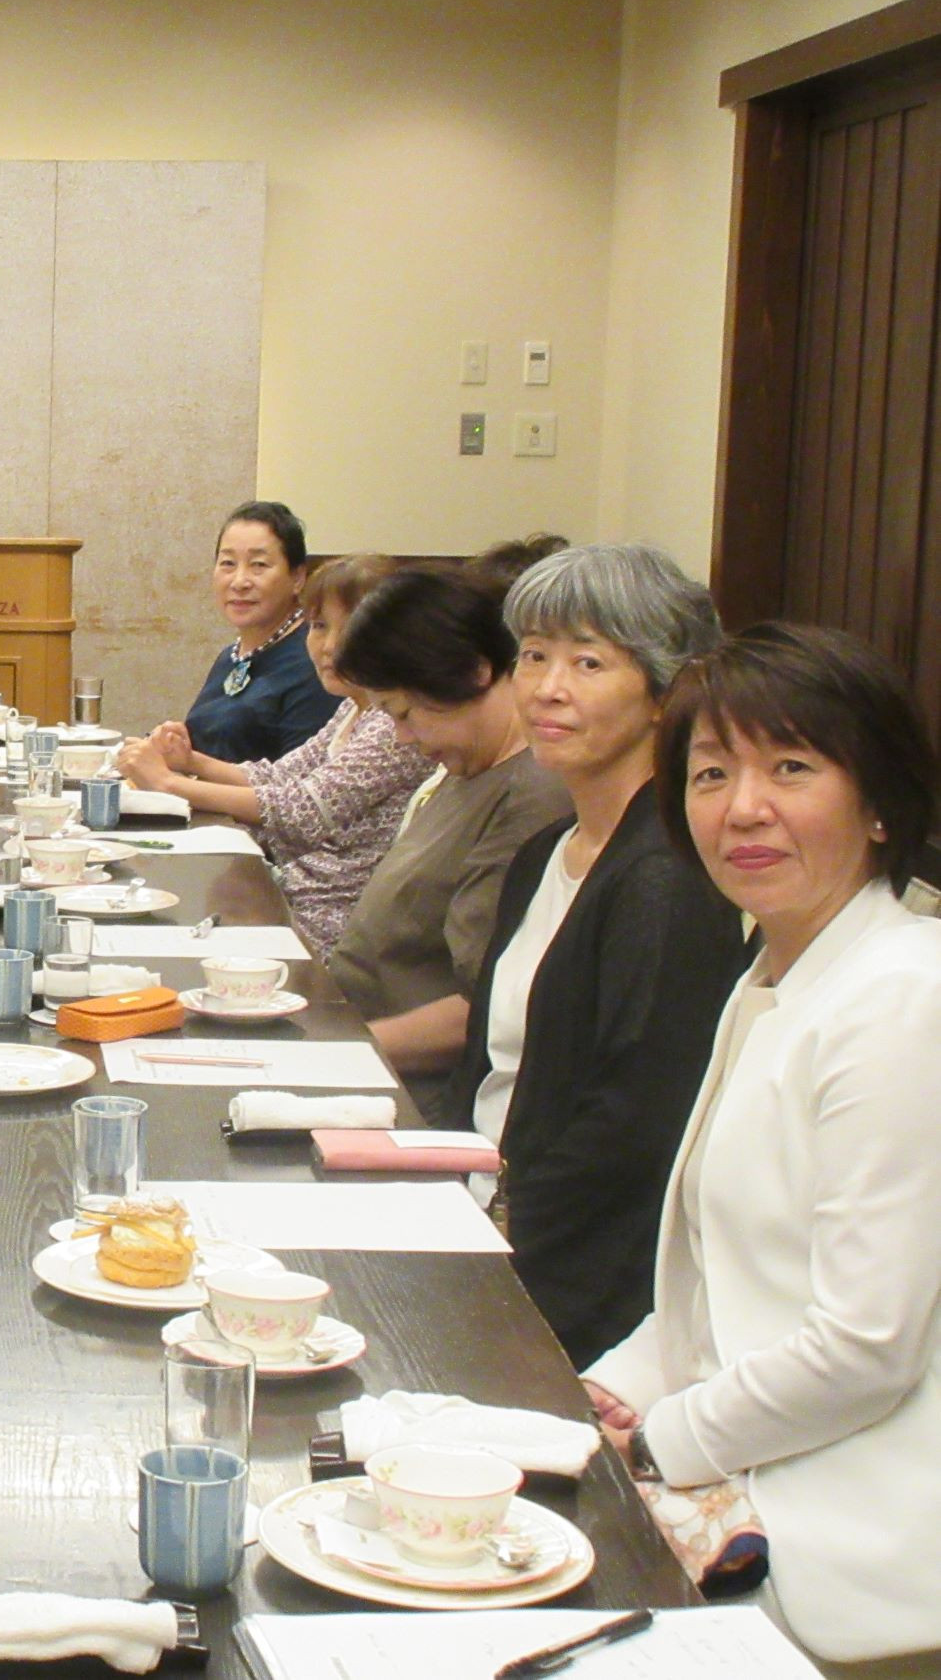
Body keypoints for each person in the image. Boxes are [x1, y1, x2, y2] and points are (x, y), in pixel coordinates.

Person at [583, 623, 941, 1664]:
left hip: (858, 1554)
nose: (742, 807)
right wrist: (607, 1392)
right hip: (755, 1484)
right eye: (709, 774)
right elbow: (728, 1283)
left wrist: (656, 1441)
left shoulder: (903, 997)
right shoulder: (779, 974)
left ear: (877, 804)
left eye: (790, 768)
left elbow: (863, 1347)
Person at [442, 546, 747, 1366]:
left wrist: (489, 1244)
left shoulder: (664, 876)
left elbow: (632, 1129)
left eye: (587, 662)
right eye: (532, 656)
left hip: (567, 1280)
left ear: (663, 693)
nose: (546, 687)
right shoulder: (547, 850)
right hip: (473, 1209)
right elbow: (487, 1063)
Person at [326, 567, 574, 1086]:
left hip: (409, 1086)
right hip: (355, 1038)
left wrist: (338, 1050)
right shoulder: (466, 769)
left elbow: (481, 1010)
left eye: (403, 713)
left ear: (473, 673)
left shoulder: (531, 797)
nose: (401, 737)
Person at [115, 554, 432, 950]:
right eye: (319, 626)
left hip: (327, 923)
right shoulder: (354, 707)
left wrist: (167, 784)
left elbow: (304, 809)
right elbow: (280, 776)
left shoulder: (392, 724)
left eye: (351, 629)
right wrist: (191, 761)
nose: (330, 646)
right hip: (288, 891)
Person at [179, 502, 343, 763]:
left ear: (298, 578)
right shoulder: (231, 656)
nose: (239, 582)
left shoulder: (314, 660)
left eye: (258, 565)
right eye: (228, 563)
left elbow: (299, 778)